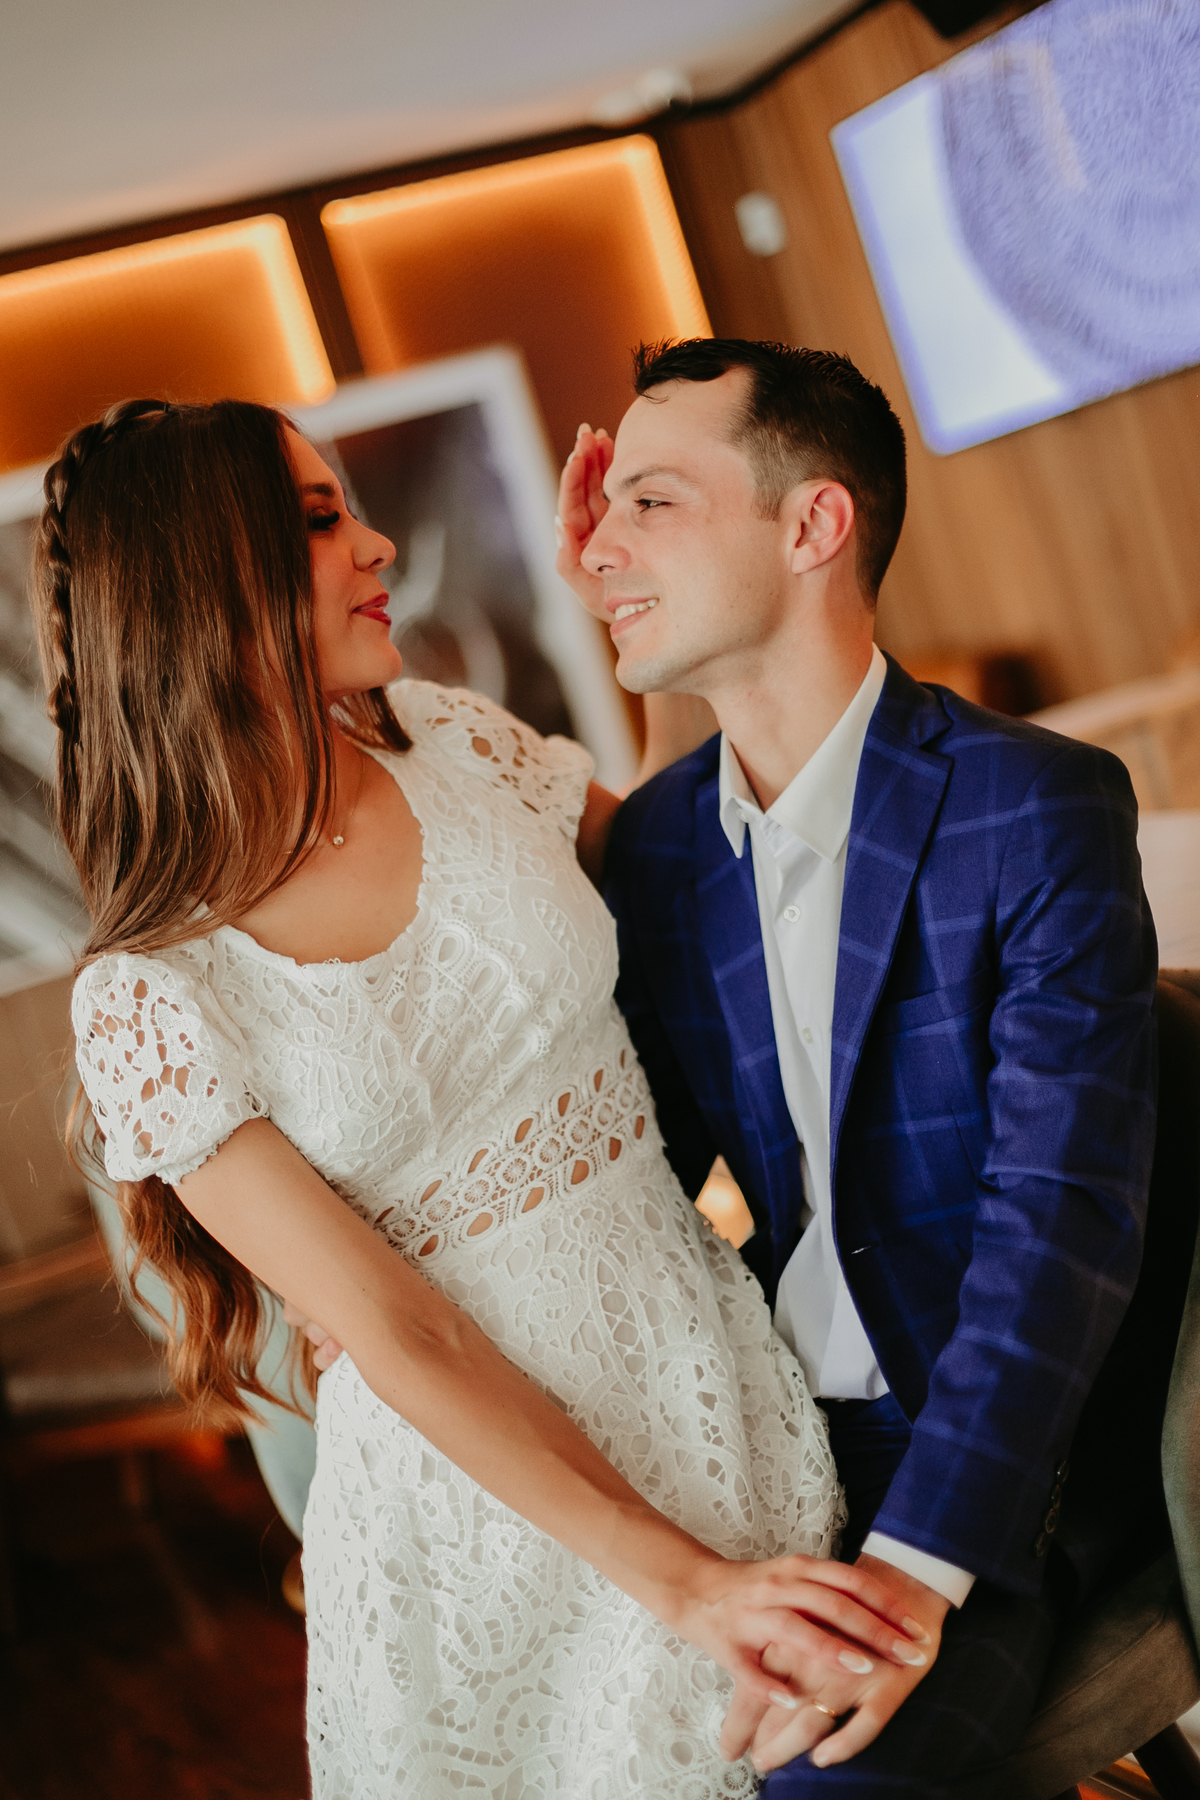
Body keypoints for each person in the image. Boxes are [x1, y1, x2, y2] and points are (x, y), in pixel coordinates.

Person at [42, 396, 929, 1800]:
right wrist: (686, 1585)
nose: (379, 543)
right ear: (204, 585)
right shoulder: (152, 998)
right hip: (484, 1533)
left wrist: (643, 615)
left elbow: (695, 881)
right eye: (320, 520)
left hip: (710, 1378)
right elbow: (401, 1328)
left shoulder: (450, 740)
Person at [555, 338, 1161, 1796]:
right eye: (606, 510)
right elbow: (626, 1172)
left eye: (651, 502)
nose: (596, 545)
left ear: (814, 524)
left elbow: (1061, 1225)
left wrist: (913, 1569)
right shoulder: (658, 853)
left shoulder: (1035, 806)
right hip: (762, 1458)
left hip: (996, 1472)